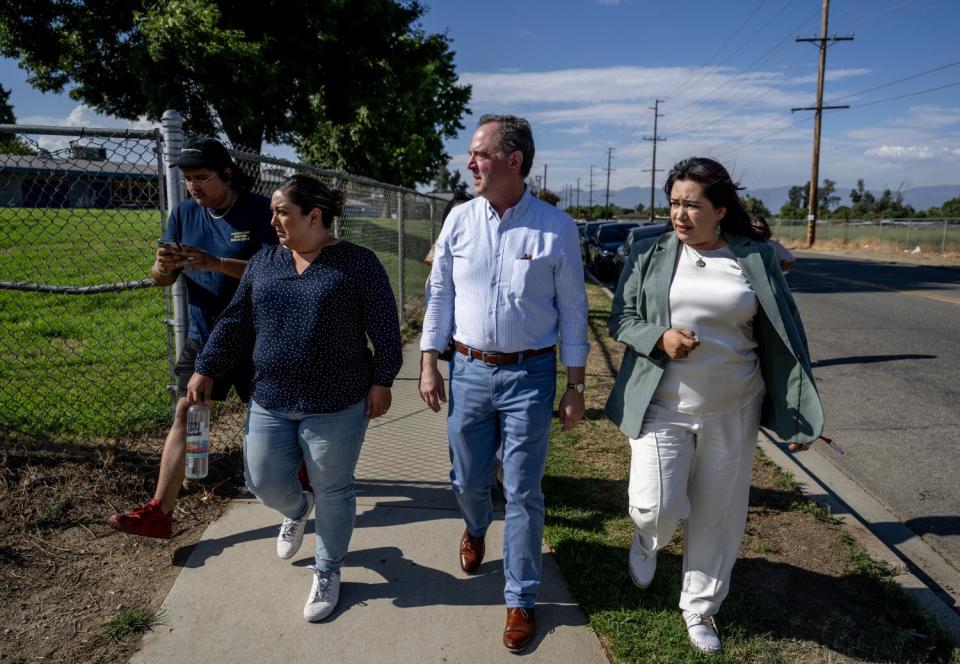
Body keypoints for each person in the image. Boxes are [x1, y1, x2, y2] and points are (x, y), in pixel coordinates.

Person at [605, 157, 824, 655]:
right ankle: (648, 538)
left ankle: (700, 607)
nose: (679, 215)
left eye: (692, 205)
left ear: (720, 210)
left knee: (717, 514)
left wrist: (798, 410)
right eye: (674, 203)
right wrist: (659, 337)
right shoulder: (650, 250)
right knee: (653, 504)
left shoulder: (754, 257)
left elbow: (786, 333)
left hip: (733, 408)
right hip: (663, 404)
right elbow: (622, 318)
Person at [188, 174, 402, 622]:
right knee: (262, 479)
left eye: (282, 212)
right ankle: (296, 508)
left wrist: (383, 379)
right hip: (270, 394)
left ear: (314, 216)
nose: (274, 220)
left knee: (334, 487)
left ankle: (328, 570)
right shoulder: (265, 261)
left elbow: (384, 327)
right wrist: (206, 366)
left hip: (337, 401)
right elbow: (234, 322)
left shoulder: (357, 264)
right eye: (273, 212)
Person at [419, 114, 589, 653]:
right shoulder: (459, 221)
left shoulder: (555, 227)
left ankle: (520, 598)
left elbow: (574, 310)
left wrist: (574, 382)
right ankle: (474, 525)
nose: (470, 163)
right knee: (468, 480)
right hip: (467, 371)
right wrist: (429, 362)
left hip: (530, 376)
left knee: (523, 490)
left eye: (480, 154)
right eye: (471, 154)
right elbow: (440, 294)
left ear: (513, 162)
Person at [108, 136, 279, 539]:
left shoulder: (259, 210)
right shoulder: (184, 213)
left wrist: (215, 263)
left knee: (274, 423)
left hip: (261, 336)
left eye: (202, 178)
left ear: (228, 174)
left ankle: (299, 485)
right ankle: (160, 512)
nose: (193, 186)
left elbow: (278, 270)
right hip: (207, 336)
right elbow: (161, 279)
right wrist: (162, 266)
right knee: (186, 412)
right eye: (187, 179)